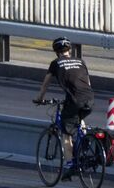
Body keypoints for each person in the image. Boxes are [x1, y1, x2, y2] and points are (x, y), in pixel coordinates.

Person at [33, 37, 95, 179]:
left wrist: (40, 98)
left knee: (66, 132)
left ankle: (70, 164)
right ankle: (85, 140)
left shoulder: (56, 63)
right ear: (70, 50)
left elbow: (46, 83)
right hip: (90, 98)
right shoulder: (81, 61)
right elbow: (88, 82)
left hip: (74, 100)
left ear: (56, 51)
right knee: (79, 119)